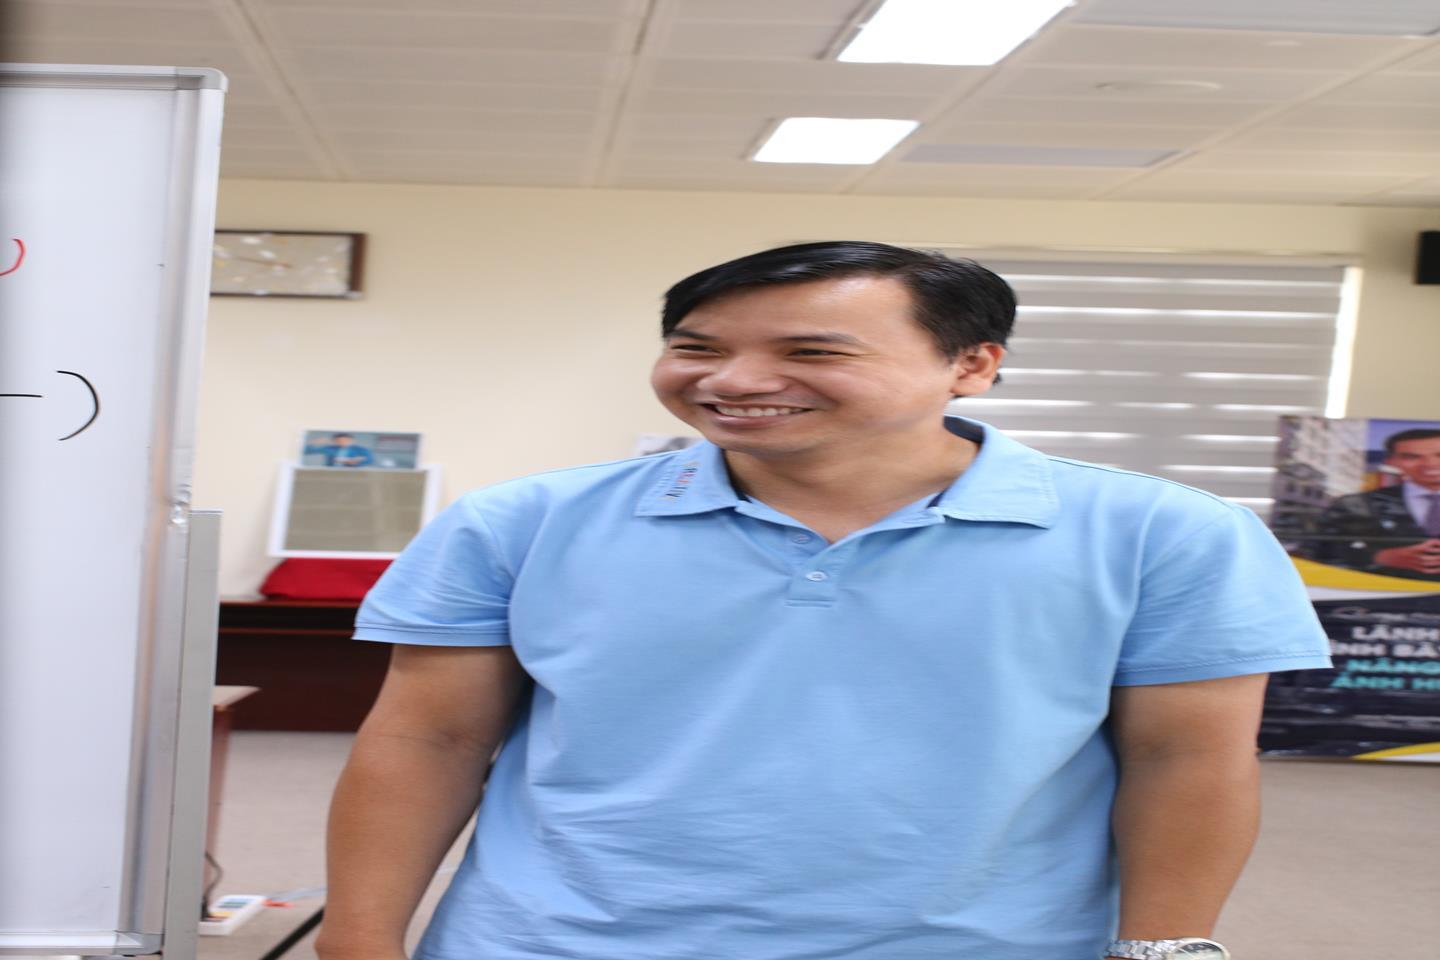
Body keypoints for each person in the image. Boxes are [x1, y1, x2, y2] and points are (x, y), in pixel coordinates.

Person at [317, 242, 1331, 960]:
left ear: (972, 365)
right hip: (558, 940)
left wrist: (1161, 951)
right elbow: (428, 742)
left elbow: (1185, 762)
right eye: (697, 347)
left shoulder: (1165, 532)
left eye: (811, 352)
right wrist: (358, 938)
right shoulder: (521, 523)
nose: (734, 380)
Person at [1304, 428, 1440, 580]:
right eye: (1412, 457)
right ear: (1391, 462)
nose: (1430, 464)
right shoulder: (1354, 505)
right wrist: (1379, 557)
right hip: (1383, 590)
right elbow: (1318, 550)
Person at [305, 432, 374, 468]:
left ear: (352, 440)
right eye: (339, 441)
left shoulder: (360, 449)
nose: (342, 443)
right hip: (330, 472)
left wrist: (357, 463)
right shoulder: (329, 448)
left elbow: (370, 460)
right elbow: (307, 451)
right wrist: (314, 442)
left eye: (345, 441)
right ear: (335, 441)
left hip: (352, 473)